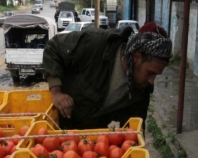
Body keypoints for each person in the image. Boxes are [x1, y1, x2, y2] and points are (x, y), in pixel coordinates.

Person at [42, 21, 172, 129]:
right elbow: (53, 47)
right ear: (137, 57)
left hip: (91, 145)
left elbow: (133, 131)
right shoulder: (96, 44)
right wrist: (56, 92)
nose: (151, 81)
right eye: (150, 73)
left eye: (156, 75)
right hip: (58, 129)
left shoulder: (141, 92)